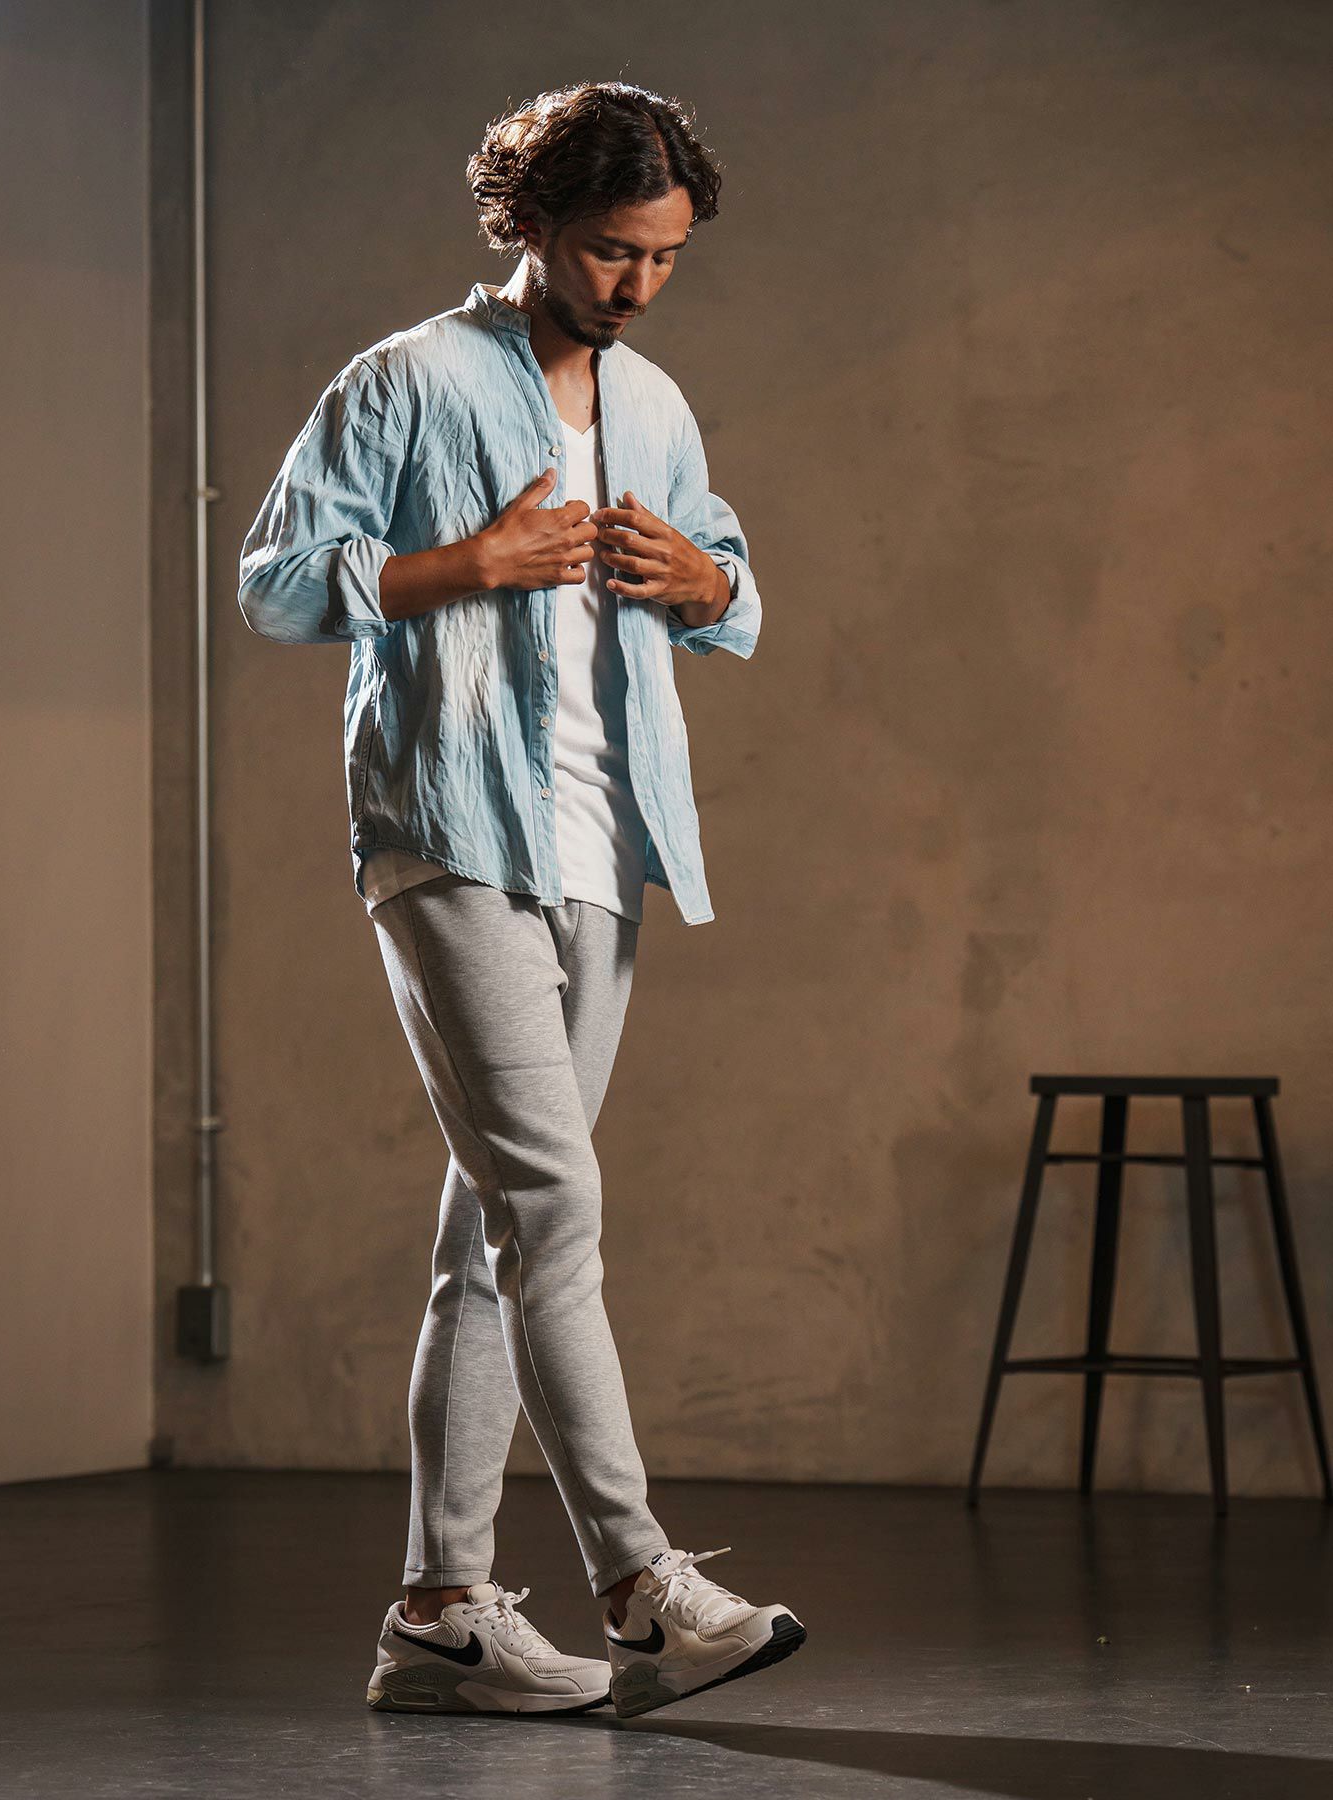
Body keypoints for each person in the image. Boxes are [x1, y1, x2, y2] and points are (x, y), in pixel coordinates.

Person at [238, 79, 805, 1718]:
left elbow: (725, 577)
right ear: (533, 223)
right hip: (447, 832)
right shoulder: (407, 380)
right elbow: (276, 582)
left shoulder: (659, 406)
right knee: (551, 1205)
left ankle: (439, 1615)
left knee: (498, 1227)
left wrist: (710, 583)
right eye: (616, 250)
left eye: (668, 257)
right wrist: (458, 568)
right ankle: (642, 1585)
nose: (640, 285)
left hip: (606, 849)